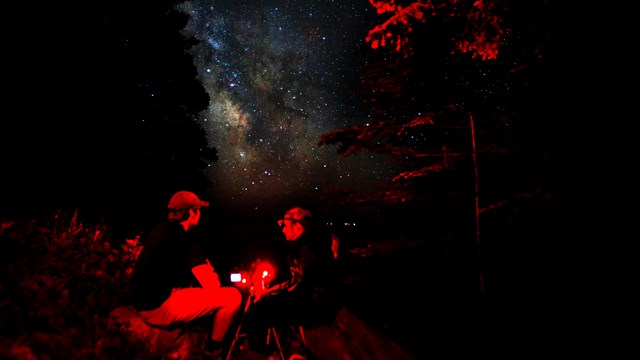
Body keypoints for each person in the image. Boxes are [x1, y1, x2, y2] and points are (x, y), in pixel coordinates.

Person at [130, 190, 242, 358]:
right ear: (191, 212)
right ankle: (214, 349)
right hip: (158, 308)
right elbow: (211, 286)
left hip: (143, 300)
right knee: (232, 297)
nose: (200, 214)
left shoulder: (160, 230)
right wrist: (213, 272)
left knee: (189, 292)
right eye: (198, 210)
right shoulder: (186, 240)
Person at [242, 206, 341, 356]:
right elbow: (297, 280)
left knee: (257, 311)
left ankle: (262, 354)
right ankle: (274, 350)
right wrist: (274, 290)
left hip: (318, 306)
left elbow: (307, 287)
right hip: (313, 300)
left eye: (284, 224)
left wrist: (275, 296)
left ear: (297, 225)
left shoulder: (309, 248)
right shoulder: (301, 246)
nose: (281, 229)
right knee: (263, 306)